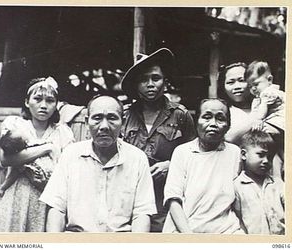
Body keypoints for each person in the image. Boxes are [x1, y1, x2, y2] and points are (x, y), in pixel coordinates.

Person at [40, 95, 157, 232]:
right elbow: (57, 209)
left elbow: (142, 214)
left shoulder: (137, 158)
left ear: (123, 122)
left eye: (112, 118)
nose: (104, 126)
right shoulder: (70, 155)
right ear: (86, 122)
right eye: (97, 118)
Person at [121, 48, 196, 232]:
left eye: (155, 78)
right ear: (136, 85)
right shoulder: (123, 116)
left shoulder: (180, 115)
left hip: (166, 199)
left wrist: (171, 165)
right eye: (143, 80)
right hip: (130, 197)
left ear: (165, 81)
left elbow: (195, 155)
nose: (150, 84)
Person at [0, 77, 75, 232]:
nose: (43, 105)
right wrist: (47, 148)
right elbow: (6, 159)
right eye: (37, 99)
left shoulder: (63, 132)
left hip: (48, 198)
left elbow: (67, 169)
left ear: (56, 105)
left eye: (50, 101)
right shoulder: (15, 124)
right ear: (26, 102)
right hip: (16, 195)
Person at [163, 98, 243, 234]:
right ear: (196, 122)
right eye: (206, 117)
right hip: (184, 228)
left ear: (228, 125)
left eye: (220, 119)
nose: (213, 124)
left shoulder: (234, 153)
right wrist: (189, 237)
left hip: (226, 230)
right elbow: (173, 199)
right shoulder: (183, 152)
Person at [233, 130, 285, 234]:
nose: (266, 161)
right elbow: (238, 219)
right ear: (243, 154)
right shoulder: (237, 186)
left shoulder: (277, 183)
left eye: (270, 157)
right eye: (261, 155)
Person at [0, 124, 57, 197]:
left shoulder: (21, 149)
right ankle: (2, 187)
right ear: (25, 141)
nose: (22, 132)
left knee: (14, 173)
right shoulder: (30, 145)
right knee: (15, 172)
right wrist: (48, 143)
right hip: (34, 168)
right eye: (21, 135)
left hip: (29, 168)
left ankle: (2, 187)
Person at [217, 62, 255, 145]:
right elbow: (228, 138)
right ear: (223, 86)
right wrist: (258, 117)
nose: (237, 86)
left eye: (242, 80)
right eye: (230, 82)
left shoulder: (265, 105)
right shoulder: (222, 112)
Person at [245, 60, 285, 133]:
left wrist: (258, 119)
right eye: (250, 86)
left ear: (269, 80)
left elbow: (264, 106)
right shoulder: (259, 97)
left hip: (278, 122)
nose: (253, 88)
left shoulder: (268, 92)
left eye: (256, 84)